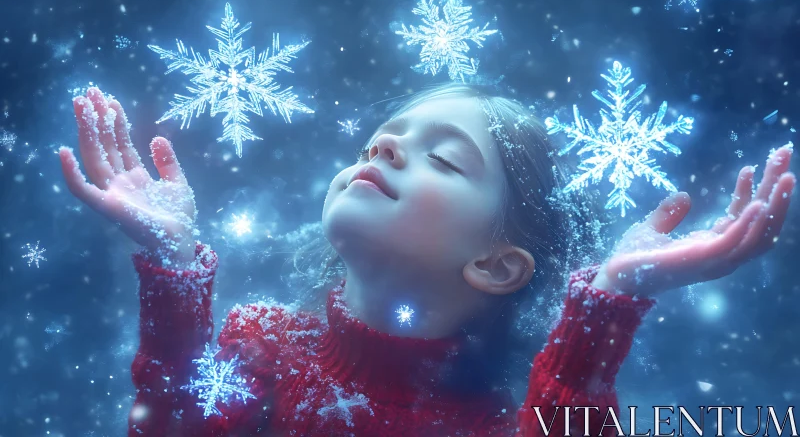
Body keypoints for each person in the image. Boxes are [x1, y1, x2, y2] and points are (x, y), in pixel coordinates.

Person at [58, 85, 795, 436]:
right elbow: (169, 429)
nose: (382, 147)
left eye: (443, 158)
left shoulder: (503, 421)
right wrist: (173, 259)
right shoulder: (262, 346)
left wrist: (616, 289)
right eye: (378, 138)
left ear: (499, 266)